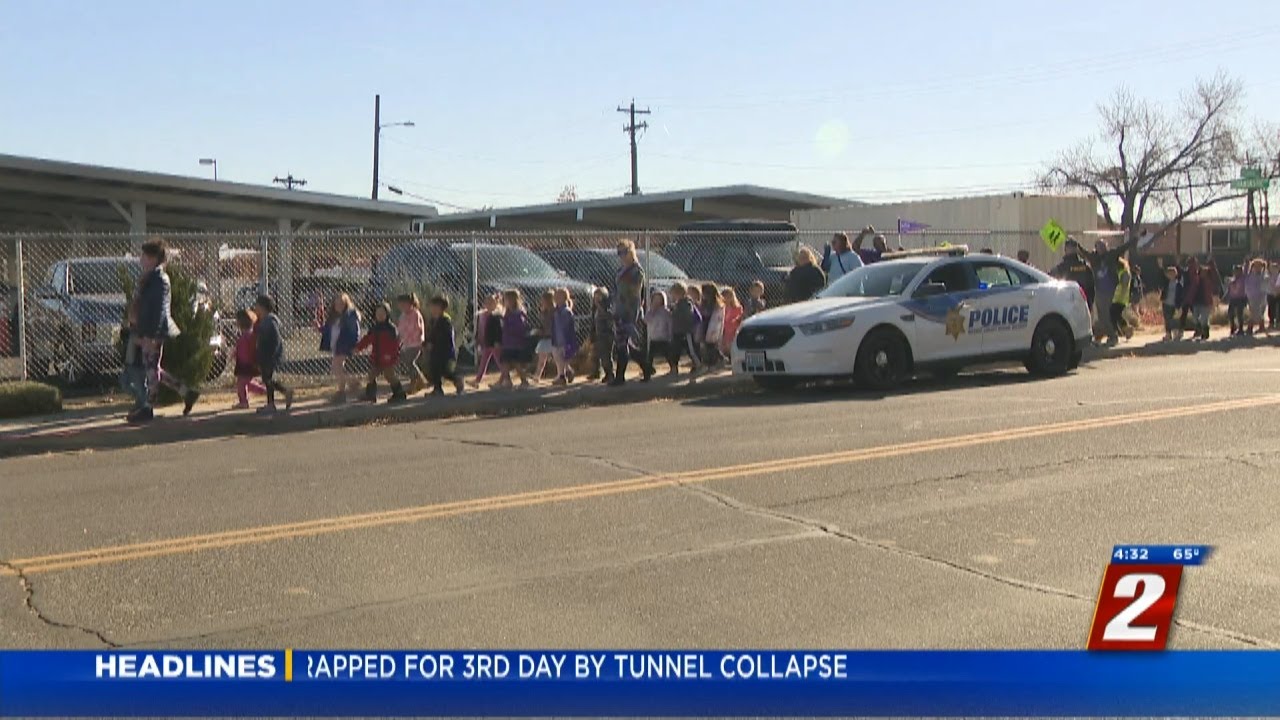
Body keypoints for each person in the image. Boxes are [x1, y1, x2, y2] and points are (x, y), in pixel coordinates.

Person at [125, 238, 200, 424]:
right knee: (154, 368)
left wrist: (151, 335)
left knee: (151, 369)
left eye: (144, 255)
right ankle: (187, 393)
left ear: (153, 258)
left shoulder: (159, 279)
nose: (141, 259)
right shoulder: (150, 277)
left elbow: (159, 310)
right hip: (148, 329)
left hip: (154, 331)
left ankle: (148, 408)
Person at [612, 238, 649, 386]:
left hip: (630, 309)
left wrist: (627, 309)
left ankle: (621, 376)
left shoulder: (636, 270)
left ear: (631, 252)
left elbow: (634, 292)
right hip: (619, 308)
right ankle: (644, 367)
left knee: (625, 342)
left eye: (624, 252)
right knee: (623, 342)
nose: (621, 256)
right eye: (619, 253)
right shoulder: (621, 270)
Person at [354, 302, 407, 404]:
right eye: (378, 313)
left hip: (388, 359)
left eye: (383, 313)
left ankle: (399, 393)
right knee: (372, 375)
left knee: (389, 375)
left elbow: (395, 345)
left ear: (387, 314)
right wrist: (357, 348)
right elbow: (367, 340)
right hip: (377, 358)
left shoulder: (391, 329)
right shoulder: (374, 329)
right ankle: (370, 395)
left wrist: (391, 355)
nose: (380, 315)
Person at [252, 295, 293, 415]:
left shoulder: (270, 321)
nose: (255, 308)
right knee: (267, 379)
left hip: (270, 356)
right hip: (266, 355)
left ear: (263, 307)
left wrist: (269, 355)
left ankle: (282, 395)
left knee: (268, 379)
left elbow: (275, 339)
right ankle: (274, 401)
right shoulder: (264, 320)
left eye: (257, 306)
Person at [320, 293, 361, 403]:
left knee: (335, 367)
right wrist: (319, 328)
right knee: (339, 368)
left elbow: (355, 331)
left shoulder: (350, 315)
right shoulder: (334, 317)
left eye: (342, 303)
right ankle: (341, 392)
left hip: (345, 345)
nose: (339, 306)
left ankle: (352, 383)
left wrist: (355, 345)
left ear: (346, 304)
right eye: (337, 303)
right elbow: (328, 330)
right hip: (336, 346)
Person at [425, 295, 465, 396]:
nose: (433, 309)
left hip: (445, 352)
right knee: (434, 369)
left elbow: (445, 337)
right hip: (435, 351)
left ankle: (458, 379)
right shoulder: (433, 321)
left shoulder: (445, 321)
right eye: (432, 307)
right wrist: (427, 342)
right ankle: (437, 389)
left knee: (446, 371)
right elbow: (430, 335)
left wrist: (433, 343)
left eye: (436, 307)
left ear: (442, 308)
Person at [1051, 238, 1096, 318]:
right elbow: (1091, 287)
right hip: (1083, 303)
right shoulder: (1085, 266)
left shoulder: (1061, 268)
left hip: (1066, 304)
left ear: (1065, 249)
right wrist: (1089, 304)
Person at [231, 309, 267, 410]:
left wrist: (236, 354)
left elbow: (243, 350)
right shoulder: (248, 335)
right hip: (247, 364)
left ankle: (245, 401)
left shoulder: (246, 336)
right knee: (245, 382)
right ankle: (262, 391)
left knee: (243, 382)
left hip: (245, 364)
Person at [497, 290, 530, 389]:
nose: (505, 301)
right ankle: (507, 380)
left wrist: (506, 326)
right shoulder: (508, 313)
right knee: (505, 361)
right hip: (507, 342)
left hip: (514, 343)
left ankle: (524, 380)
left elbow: (519, 328)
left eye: (507, 299)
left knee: (515, 363)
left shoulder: (518, 314)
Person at [396, 293, 428, 395]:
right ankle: (415, 382)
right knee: (407, 363)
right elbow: (401, 330)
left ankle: (420, 380)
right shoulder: (402, 316)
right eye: (401, 305)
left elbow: (419, 329)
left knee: (410, 362)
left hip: (415, 343)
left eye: (404, 304)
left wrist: (420, 340)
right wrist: (399, 341)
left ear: (411, 303)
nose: (402, 307)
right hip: (406, 344)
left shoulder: (415, 314)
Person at [668, 282, 702, 376]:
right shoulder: (677, 304)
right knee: (675, 350)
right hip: (677, 332)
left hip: (686, 331)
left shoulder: (686, 303)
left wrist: (675, 312)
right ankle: (674, 369)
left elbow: (687, 316)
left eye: (674, 294)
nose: (672, 297)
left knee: (691, 350)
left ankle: (698, 364)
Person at [470, 293, 504, 388]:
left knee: (499, 361)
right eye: (487, 302)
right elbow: (480, 329)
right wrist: (478, 339)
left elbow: (498, 330)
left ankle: (505, 377)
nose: (488, 305)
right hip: (486, 342)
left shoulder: (497, 316)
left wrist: (498, 341)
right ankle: (477, 381)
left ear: (496, 304)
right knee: (483, 362)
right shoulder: (482, 315)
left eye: (491, 303)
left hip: (494, 343)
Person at [550, 287, 578, 385]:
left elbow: (567, 328)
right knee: (559, 359)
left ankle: (562, 377)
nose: (555, 299)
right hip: (556, 339)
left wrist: (568, 341)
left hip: (564, 340)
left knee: (561, 358)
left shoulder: (566, 311)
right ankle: (568, 372)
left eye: (558, 297)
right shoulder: (556, 311)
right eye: (555, 297)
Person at [1181, 257, 1213, 341]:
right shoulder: (1196, 280)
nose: (1202, 273)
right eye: (1201, 272)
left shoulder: (1207, 281)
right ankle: (1200, 330)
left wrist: (1211, 302)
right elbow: (1192, 290)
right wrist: (1188, 299)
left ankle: (1205, 333)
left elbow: (1210, 292)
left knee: (1204, 319)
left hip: (1205, 303)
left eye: (1204, 272)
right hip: (1196, 302)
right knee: (1195, 318)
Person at [588, 287, 615, 383]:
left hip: (606, 334)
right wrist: (592, 334)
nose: (596, 299)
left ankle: (610, 374)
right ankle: (596, 371)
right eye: (595, 296)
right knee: (595, 354)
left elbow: (610, 317)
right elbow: (593, 322)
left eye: (599, 296)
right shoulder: (594, 309)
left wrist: (600, 307)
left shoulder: (607, 306)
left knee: (606, 355)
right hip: (598, 334)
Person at [646, 291, 674, 376]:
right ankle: (649, 369)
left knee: (667, 354)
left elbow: (670, 323)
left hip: (663, 337)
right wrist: (652, 311)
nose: (656, 302)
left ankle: (673, 367)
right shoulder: (651, 311)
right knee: (650, 355)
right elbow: (646, 320)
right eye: (655, 300)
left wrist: (670, 335)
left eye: (659, 300)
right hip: (654, 337)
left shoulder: (666, 312)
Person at [1107, 256, 1134, 345]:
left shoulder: (1125, 273)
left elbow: (1124, 285)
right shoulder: (1120, 272)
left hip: (1121, 298)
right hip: (1117, 298)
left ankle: (1118, 332)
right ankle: (1125, 329)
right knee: (1116, 315)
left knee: (1113, 315)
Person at [699, 282, 725, 370]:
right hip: (705, 325)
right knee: (707, 345)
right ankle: (713, 361)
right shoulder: (704, 303)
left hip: (712, 326)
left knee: (712, 345)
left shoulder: (717, 305)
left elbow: (717, 318)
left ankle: (714, 362)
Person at [532, 290, 555, 382]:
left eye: (543, 300)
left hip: (552, 338)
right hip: (545, 338)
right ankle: (537, 376)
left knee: (557, 358)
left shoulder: (553, 312)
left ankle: (567, 371)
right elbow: (542, 325)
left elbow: (550, 326)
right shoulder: (543, 312)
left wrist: (543, 332)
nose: (541, 302)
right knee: (542, 359)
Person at [1158, 265, 1184, 342]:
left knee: (1174, 320)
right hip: (1166, 303)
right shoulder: (1166, 282)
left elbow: (1180, 295)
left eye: (1169, 273)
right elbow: (1163, 291)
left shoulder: (1178, 284)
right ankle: (1168, 334)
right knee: (1167, 319)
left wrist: (1179, 305)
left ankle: (1176, 333)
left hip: (1174, 304)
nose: (1168, 275)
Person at [1246, 259, 1269, 336]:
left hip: (1261, 296)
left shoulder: (1264, 276)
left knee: (1259, 312)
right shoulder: (1250, 276)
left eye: (1259, 266)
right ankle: (1251, 327)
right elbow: (1247, 286)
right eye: (1256, 266)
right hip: (1252, 296)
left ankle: (1259, 326)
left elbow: (1265, 286)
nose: (1257, 268)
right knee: (1253, 312)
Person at [720, 287, 744, 358]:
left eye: (729, 296)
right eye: (724, 296)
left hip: (733, 330)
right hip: (723, 330)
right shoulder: (721, 308)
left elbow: (739, 319)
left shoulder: (738, 308)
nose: (726, 298)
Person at [1225, 265, 1248, 337]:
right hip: (1233, 298)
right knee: (1230, 313)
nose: (1236, 272)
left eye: (1237, 271)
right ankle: (1233, 327)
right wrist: (1226, 296)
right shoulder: (1232, 280)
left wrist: (1247, 261)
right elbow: (1229, 290)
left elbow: (1247, 269)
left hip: (1241, 298)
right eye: (1235, 271)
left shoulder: (1243, 278)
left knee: (1239, 313)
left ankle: (1240, 328)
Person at [1270, 260, 1280, 330]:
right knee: (1271, 308)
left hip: (1278, 294)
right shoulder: (1268, 276)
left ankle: (1278, 322)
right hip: (1271, 294)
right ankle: (1271, 322)